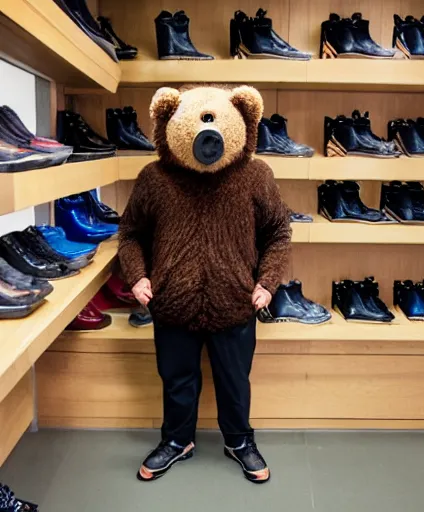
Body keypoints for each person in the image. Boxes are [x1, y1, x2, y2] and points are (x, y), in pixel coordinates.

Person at [118, 85, 291, 484]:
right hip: (172, 304)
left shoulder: (256, 176)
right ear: (168, 122)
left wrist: (267, 282)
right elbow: (129, 233)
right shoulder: (154, 178)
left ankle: (239, 440)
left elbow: (278, 233)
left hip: (235, 303)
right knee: (176, 378)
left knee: (234, 380)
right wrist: (138, 276)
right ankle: (177, 441)